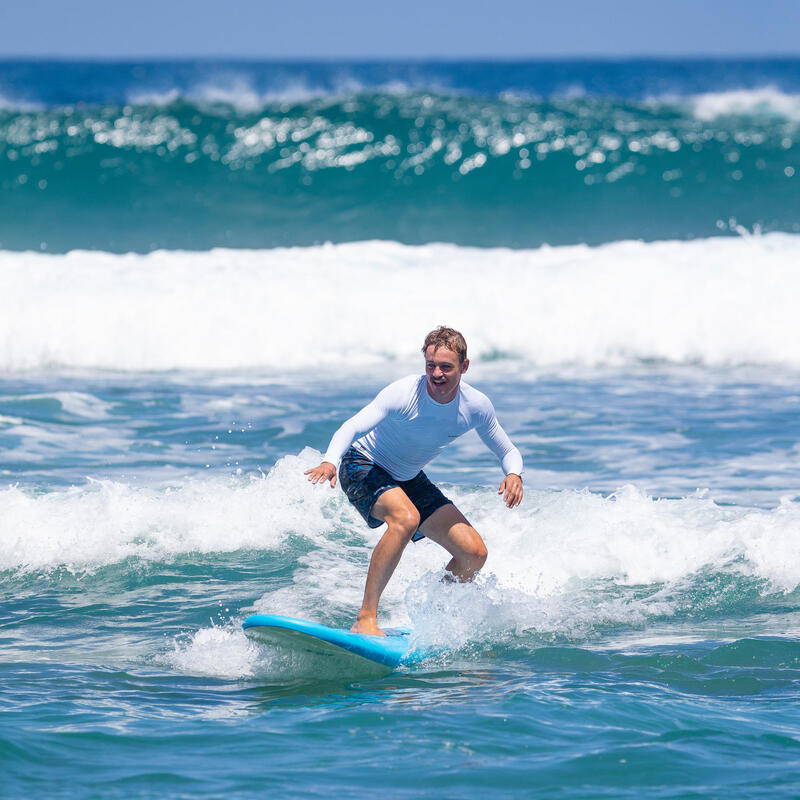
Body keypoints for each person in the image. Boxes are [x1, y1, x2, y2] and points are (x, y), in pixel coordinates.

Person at [304, 326, 523, 636]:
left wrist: (513, 474)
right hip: (362, 465)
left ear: (464, 366)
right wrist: (330, 459)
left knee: (473, 554)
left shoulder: (475, 406)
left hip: (408, 478)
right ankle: (365, 619)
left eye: (446, 366)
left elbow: (508, 450)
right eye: (430, 365)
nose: (436, 374)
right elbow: (352, 427)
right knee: (406, 518)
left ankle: (434, 619)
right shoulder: (404, 393)